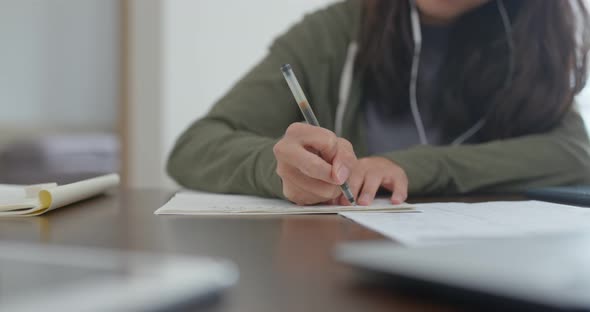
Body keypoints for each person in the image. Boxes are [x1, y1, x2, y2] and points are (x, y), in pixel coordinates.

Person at [167, 0, 590, 206]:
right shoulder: (334, 34)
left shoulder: (526, 47)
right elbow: (195, 146)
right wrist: (280, 171)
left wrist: (415, 167)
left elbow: (575, 152)